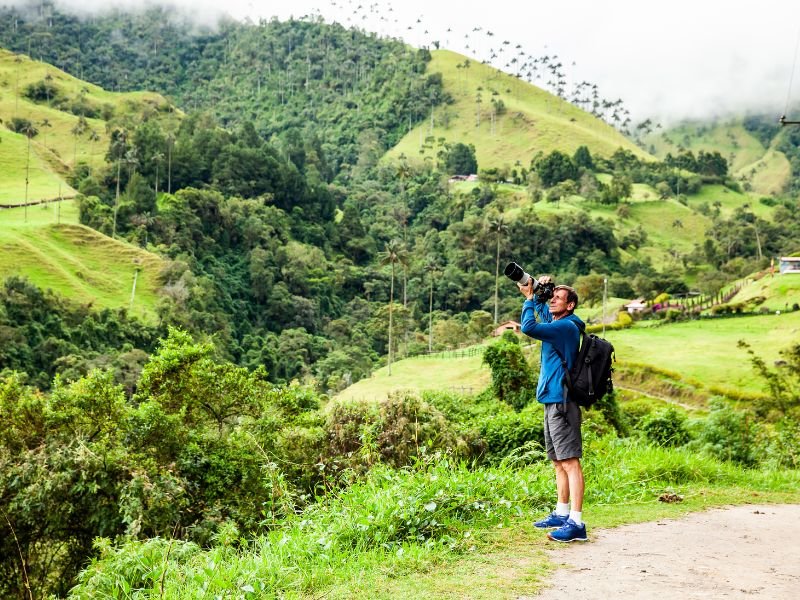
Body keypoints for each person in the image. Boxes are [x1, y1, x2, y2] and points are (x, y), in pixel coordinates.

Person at [518, 276, 587, 542]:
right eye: (553, 296)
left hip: (563, 401)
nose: (553, 300)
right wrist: (538, 292)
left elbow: (529, 327)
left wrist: (529, 300)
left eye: (558, 298)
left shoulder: (566, 327)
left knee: (570, 461)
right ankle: (561, 513)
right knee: (558, 461)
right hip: (552, 400)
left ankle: (577, 523)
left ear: (570, 305)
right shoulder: (559, 323)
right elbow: (543, 311)